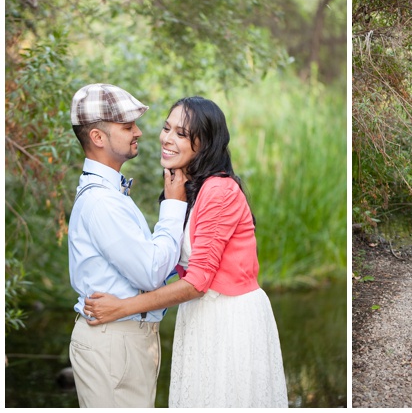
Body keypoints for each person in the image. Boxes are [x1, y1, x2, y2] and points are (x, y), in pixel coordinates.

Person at [84, 96, 288, 408]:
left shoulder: (219, 190)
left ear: (204, 144)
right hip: (201, 317)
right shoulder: (186, 187)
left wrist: (123, 307)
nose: (166, 138)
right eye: (167, 128)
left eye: (181, 133)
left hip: (230, 319)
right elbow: (164, 262)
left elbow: (197, 282)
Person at [68, 83, 188, 408]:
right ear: (98, 137)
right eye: (127, 126)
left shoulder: (111, 194)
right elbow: (149, 272)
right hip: (113, 341)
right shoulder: (102, 202)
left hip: (124, 338)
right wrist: (174, 205)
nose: (138, 132)